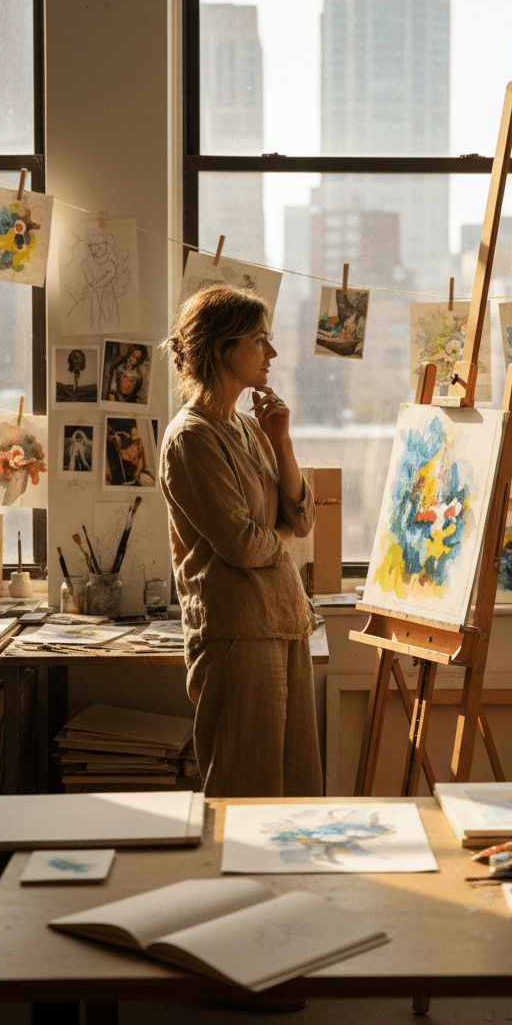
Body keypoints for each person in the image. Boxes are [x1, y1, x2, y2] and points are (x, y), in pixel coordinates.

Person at [159, 284, 323, 800]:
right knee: (245, 792)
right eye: (260, 340)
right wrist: (284, 535)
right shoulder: (191, 437)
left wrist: (282, 442)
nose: (271, 353)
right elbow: (243, 546)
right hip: (238, 635)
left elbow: (303, 515)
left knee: (295, 788)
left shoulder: (251, 428)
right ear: (222, 349)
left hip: (283, 623)